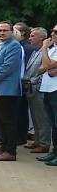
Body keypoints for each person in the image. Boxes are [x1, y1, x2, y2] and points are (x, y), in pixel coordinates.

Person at [0, 21, 23, 161]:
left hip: (7, 89)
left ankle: (10, 151)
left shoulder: (14, 46)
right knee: (1, 120)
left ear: (12, 31)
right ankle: (2, 146)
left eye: (5, 30)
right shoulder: (2, 45)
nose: (2, 33)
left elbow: (7, 67)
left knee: (8, 121)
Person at [23, 28, 50, 153]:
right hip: (31, 89)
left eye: (33, 36)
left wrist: (33, 81)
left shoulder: (46, 52)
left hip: (39, 89)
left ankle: (44, 143)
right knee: (35, 116)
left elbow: (43, 70)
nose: (30, 38)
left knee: (42, 117)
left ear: (41, 38)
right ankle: (38, 140)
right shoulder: (35, 51)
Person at [37, 25, 57, 165]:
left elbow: (48, 65)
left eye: (56, 32)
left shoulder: (48, 48)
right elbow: (42, 68)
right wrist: (49, 65)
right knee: (52, 123)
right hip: (47, 88)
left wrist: (44, 48)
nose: (53, 33)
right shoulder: (53, 49)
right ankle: (54, 151)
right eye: (53, 31)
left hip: (55, 89)